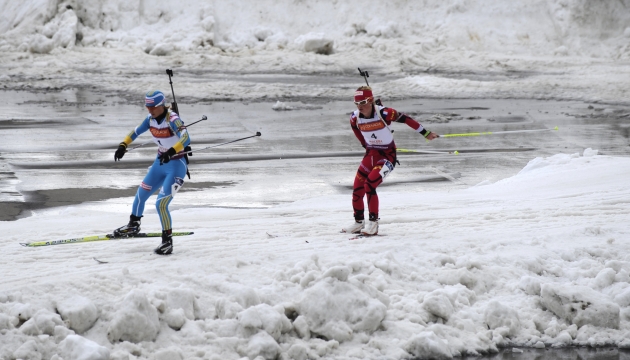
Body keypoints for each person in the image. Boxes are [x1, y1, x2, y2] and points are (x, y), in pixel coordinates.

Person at [342, 86, 439, 236]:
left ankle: (373, 224)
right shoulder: (355, 117)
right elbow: (356, 131)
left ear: (371, 100)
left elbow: (406, 119)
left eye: (362, 102)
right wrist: (365, 145)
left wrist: (426, 133)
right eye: (356, 103)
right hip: (371, 155)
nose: (359, 106)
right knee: (357, 189)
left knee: (370, 185)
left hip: (387, 157)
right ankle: (358, 222)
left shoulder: (385, 113)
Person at [113, 90, 191, 255]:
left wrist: (171, 151)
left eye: (153, 107)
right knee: (141, 193)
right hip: (160, 163)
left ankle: (167, 242)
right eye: (147, 106)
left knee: (161, 204)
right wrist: (123, 145)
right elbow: (135, 132)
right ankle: (133, 225)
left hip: (176, 166)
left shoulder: (173, 119)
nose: (149, 110)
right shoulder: (150, 120)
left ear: (161, 105)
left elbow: (186, 138)